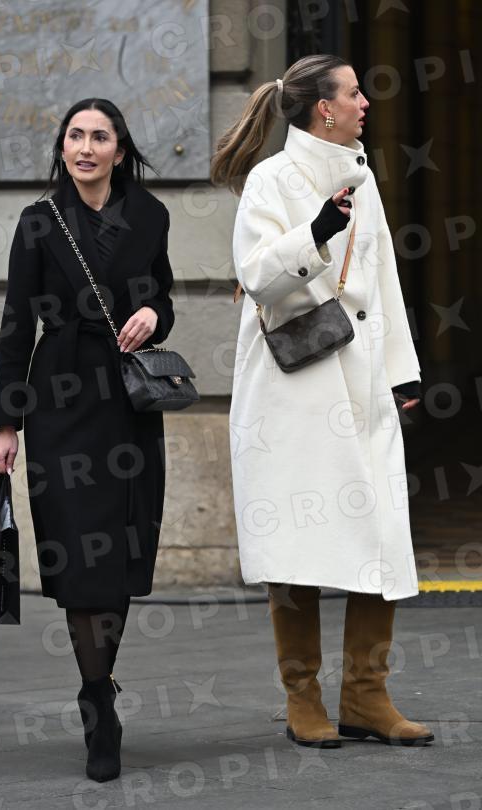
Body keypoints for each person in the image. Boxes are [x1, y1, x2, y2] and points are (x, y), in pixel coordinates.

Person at [210, 55, 433, 748]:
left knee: (380, 535)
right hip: (294, 389)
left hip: (361, 384)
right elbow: (255, 274)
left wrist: (402, 372)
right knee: (296, 540)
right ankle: (302, 699)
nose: (366, 101)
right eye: (354, 92)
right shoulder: (271, 179)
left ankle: (367, 696)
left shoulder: (362, 176)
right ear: (323, 108)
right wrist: (314, 233)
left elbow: (384, 279)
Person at [0, 98, 175, 781]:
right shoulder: (38, 221)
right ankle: (97, 699)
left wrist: (152, 312)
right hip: (60, 400)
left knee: (118, 551)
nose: (86, 147)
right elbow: (16, 321)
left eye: (100, 136)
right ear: (63, 147)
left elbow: (165, 295)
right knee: (77, 553)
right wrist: (6, 422)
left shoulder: (150, 215)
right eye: (76, 136)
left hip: (126, 402)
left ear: (120, 150)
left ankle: (103, 681)